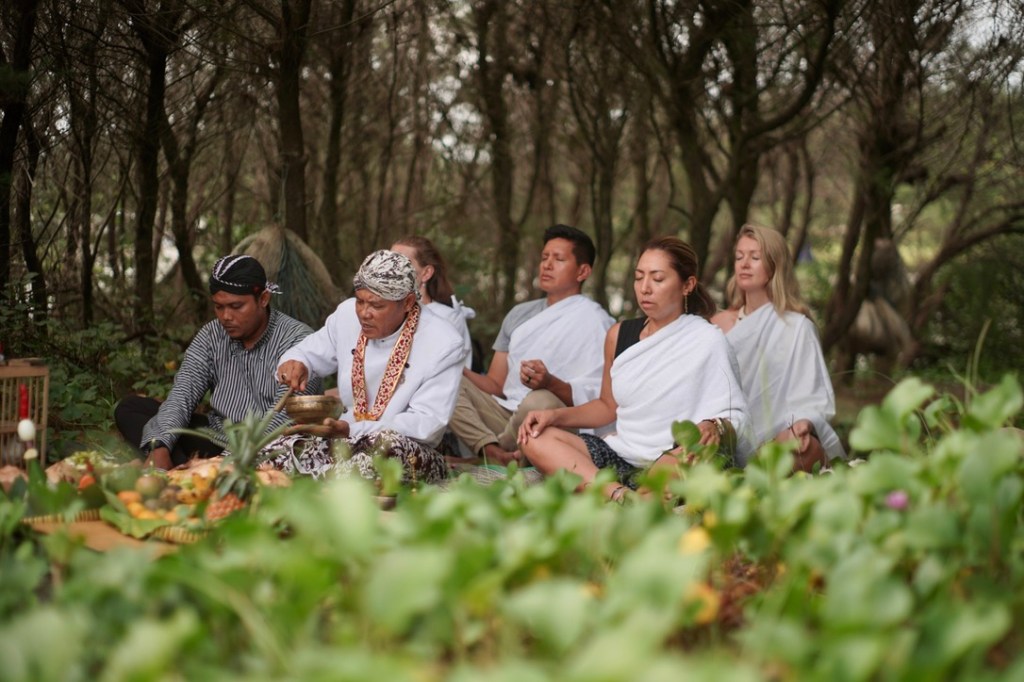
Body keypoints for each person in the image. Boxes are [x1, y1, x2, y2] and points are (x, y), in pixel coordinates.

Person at [518, 236, 751, 500]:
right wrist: (554, 417)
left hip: (676, 455)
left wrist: (713, 424)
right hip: (622, 454)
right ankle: (620, 497)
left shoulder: (708, 339)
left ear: (687, 285)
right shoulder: (619, 335)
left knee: (680, 459)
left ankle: (630, 496)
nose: (645, 288)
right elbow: (607, 407)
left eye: (657, 279)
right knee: (535, 438)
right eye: (639, 277)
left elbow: (734, 413)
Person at [273, 249, 466, 483]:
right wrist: (296, 362)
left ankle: (323, 479)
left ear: (407, 302)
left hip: (406, 447)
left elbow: (426, 423)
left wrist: (352, 430)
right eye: (360, 301)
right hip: (342, 434)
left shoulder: (444, 342)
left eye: (376, 305)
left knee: (388, 449)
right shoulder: (346, 315)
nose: (364, 313)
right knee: (279, 447)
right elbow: (308, 351)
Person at [114, 254, 320, 469]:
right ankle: (179, 467)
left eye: (236, 306)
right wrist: (159, 447)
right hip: (218, 435)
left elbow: (281, 421)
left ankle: (191, 470)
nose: (226, 317)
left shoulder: (299, 341)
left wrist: (223, 462)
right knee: (131, 409)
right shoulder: (212, 335)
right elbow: (181, 396)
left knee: (281, 443)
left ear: (264, 299)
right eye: (219, 307)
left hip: (272, 445)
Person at [449, 224, 614, 465]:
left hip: (551, 420)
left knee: (541, 400)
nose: (547, 265)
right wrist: (457, 369)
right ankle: (493, 452)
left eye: (558, 259)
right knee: (445, 378)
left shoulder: (597, 322)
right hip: (505, 414)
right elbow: (496, 384)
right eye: (544, 257)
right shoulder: (518, 315)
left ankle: (490, 456)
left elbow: (596, 398)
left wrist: (550, 383)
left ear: (582, 272)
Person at [710, 224, 845, 472]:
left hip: (781, 439)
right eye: (739, 257)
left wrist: (800, 426)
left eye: (755, 257)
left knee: (807, 449)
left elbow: (812, 397)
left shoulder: (797, 327)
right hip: (726, 437)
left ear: (775, 265)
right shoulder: (717, 325)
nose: (744, 264)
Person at [391, 235, 476, 369]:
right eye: (388, 262)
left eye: (402, 264)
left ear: (426, 273)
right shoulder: (381, 311)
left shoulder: (448, 318)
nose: (391, 270)